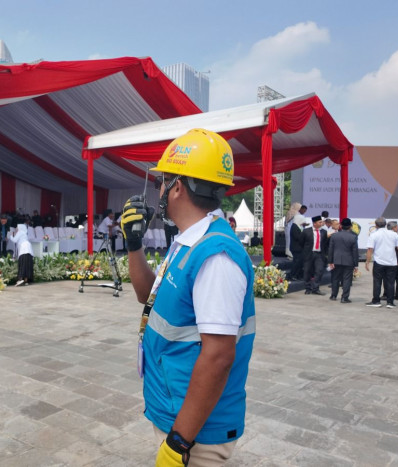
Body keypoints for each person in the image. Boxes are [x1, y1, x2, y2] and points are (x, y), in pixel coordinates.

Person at [120, 128, 255, 466]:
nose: (161, 190)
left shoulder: (214, 256)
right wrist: (133, 246)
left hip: (194, 432)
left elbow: (219, 356)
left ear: (177, 186)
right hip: (174, 409)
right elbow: (144, 296)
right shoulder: (188, 241)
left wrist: (178, 442)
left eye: (162, 182)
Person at [365, 217, 398, 308]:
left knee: (377, 282)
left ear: (375, 225)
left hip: (379, 262)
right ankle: (390, 302)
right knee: (390, 282)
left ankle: (376, 301)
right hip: (392, 262)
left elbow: (370, 249)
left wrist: (367, 261)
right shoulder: (394, 234)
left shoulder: (374, 235)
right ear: (385, 224)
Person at [327, 218, 359, 303]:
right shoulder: (353, 236)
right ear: (350, 226)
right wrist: (356, 265)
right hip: (349, 261)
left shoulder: (334, 235)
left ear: (341, 225)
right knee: (347, 279)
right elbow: (355, 251)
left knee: (335, 278)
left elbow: (331, 249)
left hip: (336, 260)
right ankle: (344, 297)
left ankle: (333, 295)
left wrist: (330, 261)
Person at [300, 215, 328, 295]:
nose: (321, 223)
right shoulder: (306, 231)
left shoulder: (323, 232)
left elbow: (325, 244)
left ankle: (315, 288)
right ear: (314, 223)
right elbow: (301, 242)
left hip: (319, 254)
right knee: (307, 271)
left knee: (319, 271)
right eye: (320, 222)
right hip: (309, 254)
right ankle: (308, 288)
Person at [11, 216, 34, 286]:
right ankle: (26, 280)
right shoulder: (24, 233)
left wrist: (11, 235)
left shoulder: (20, 232)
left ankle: (20, 279)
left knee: (23, 264)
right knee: (27, 264)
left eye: (17, 228)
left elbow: (14, 240)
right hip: (28, 249)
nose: (16, 229)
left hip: (24, 249)